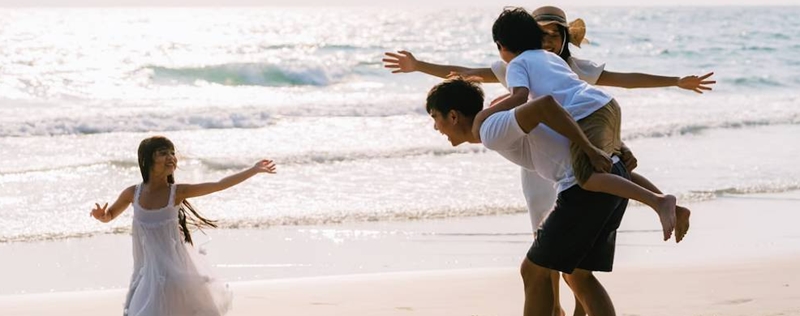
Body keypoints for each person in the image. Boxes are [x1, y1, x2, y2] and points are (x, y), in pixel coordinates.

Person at [426, 76, 630, 316]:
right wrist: (618, 154)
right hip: (607, 182)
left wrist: (598, 151)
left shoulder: (491, 129)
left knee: (533, 271)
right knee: (578, 275)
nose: (435, 127)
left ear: (453, 116)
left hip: (585, 188)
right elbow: (558, 124)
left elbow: (544, 105)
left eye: (434, 118)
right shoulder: (495, 122)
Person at [90, 136, 277, 316]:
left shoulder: (177, 192)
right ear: (147, 159)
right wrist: (102, 216)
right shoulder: (133, 193)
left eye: (172, 153)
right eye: (163, 153)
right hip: (147, 272)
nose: (171, 157)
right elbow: (110, 215)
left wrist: (253, 170)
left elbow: (219, 184)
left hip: (176, 271)